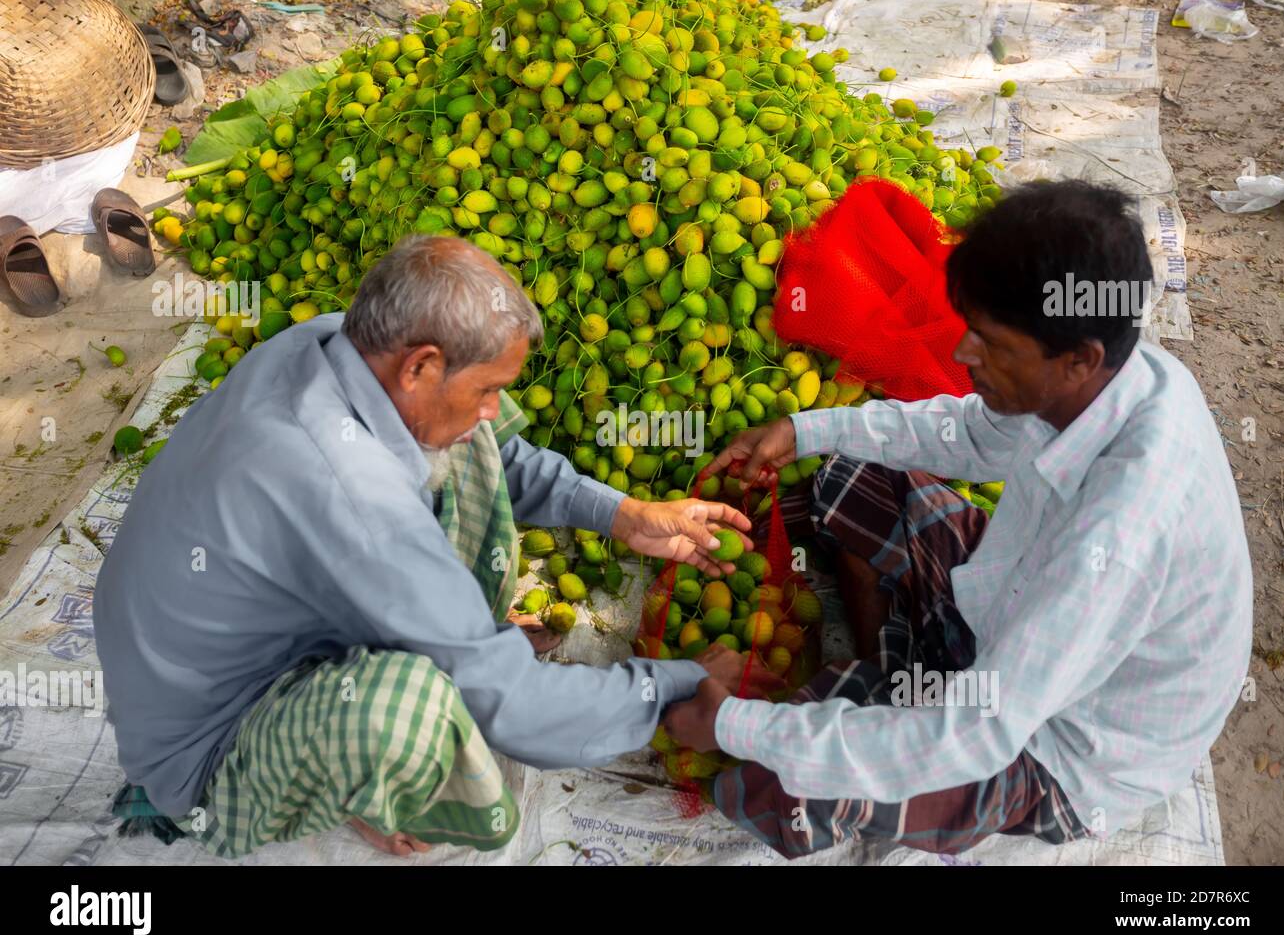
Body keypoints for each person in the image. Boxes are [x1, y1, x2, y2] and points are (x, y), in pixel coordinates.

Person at [96, 235, 775, 859]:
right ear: (420, 364)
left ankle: (444, 636)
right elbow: (513, 706)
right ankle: (353, 781)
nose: (492, 408)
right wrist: (679, 685)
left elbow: (497, 449)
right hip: (210, 743)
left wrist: (622, 514)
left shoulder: (334, 344)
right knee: (415, 713)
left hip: (242, 634)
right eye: (488, 390)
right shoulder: (352, 493)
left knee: (468, 438)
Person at [667, 180, 1253, 859]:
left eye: (991, 342)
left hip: (1054, 746)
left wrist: (735, 726)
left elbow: (977, 733)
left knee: (786, 782)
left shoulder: (1121, 534)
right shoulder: (1114, 373)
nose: (963, 355)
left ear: (1078, 360)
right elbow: (972, 435)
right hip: (1009, 617)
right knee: (848, 473)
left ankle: (879, 698)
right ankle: (890, 677)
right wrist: (804, 429)